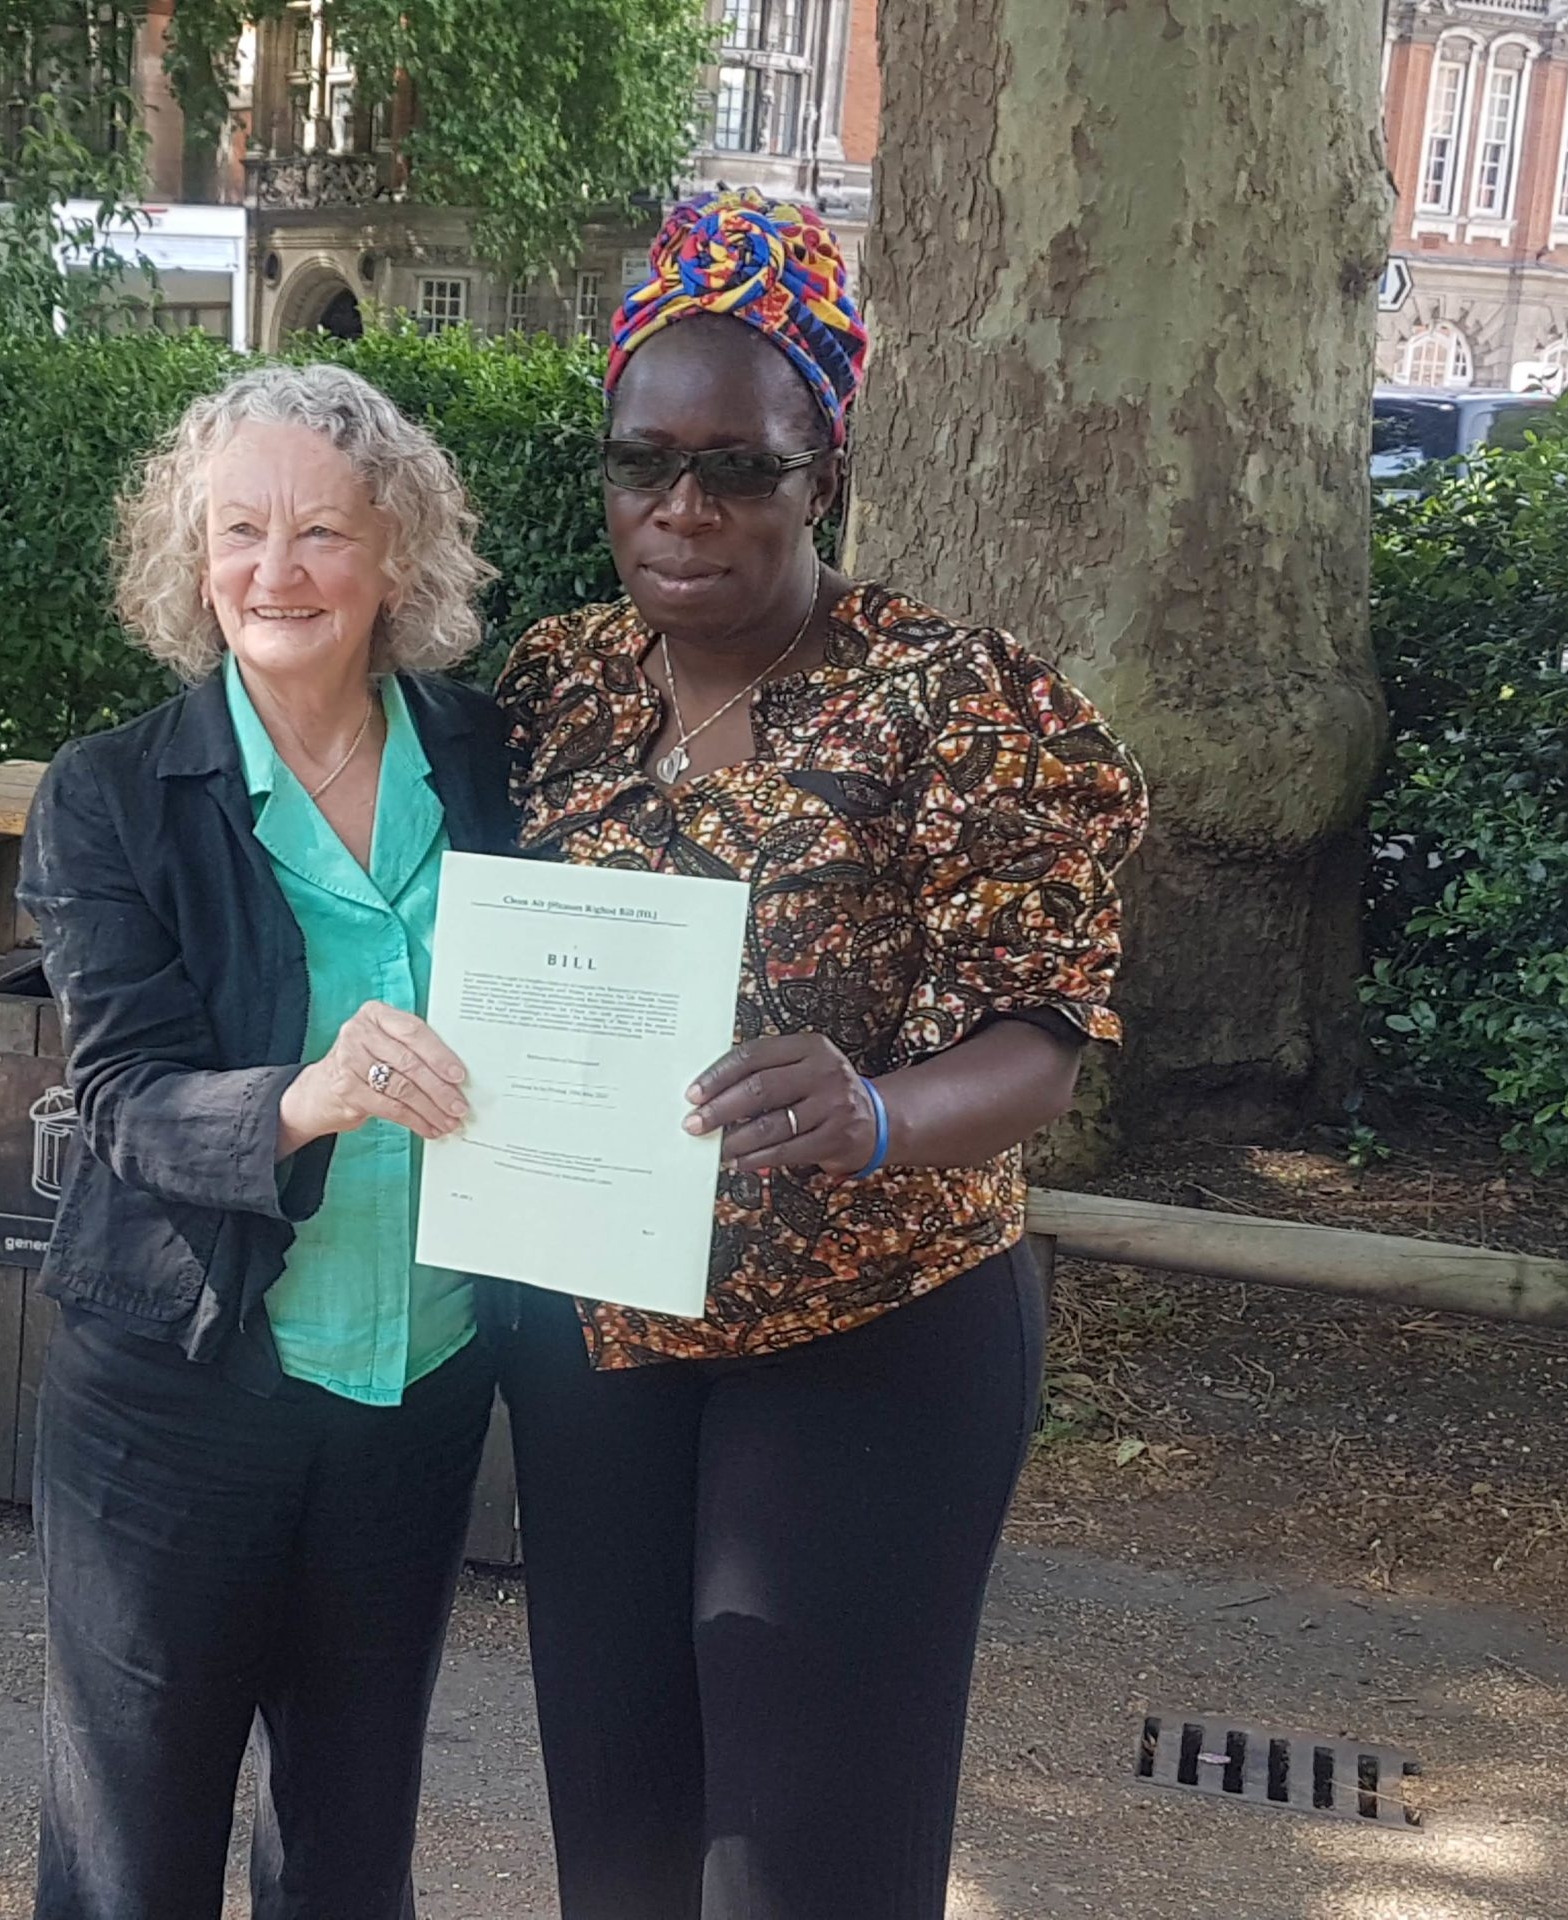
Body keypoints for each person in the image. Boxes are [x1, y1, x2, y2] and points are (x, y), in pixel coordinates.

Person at [493, 188, 1151, 1920]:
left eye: (740, 467)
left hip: (871, 1336)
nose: (683, 507)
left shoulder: (960, 702)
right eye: (643, 463)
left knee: (808, 1858)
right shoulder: (553, 687)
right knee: (620, 1830)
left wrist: (875, 1114)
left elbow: (1039, 1040)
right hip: (601, 1330)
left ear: (827, 471)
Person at [15, 362, 512, 1920]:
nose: (276, 573)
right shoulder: (112, 799)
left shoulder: (492, 763)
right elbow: (121, 1097)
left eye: (320, 533)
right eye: (240, 531)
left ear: (398, 559)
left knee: (355, 1839)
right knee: (133, 1845)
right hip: (184, 1385)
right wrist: (309, 1095)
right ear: (192, 557)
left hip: (417, 1378)